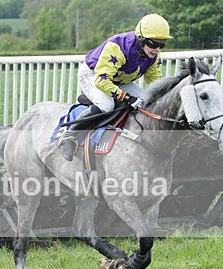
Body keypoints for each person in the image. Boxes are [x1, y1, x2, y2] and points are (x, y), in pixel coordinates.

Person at [57, 13, 171, 161]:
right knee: (107, 104)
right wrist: (127, 98)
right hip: (94, 74)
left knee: (146, 101)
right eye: (154, 43)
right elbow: (102, 80)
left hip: (120, 79)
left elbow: (154, 83)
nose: (157, 49)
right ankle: (69, 136)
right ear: (141, 38)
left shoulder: (154, 55)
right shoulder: (117, 47)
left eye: (162, 45)